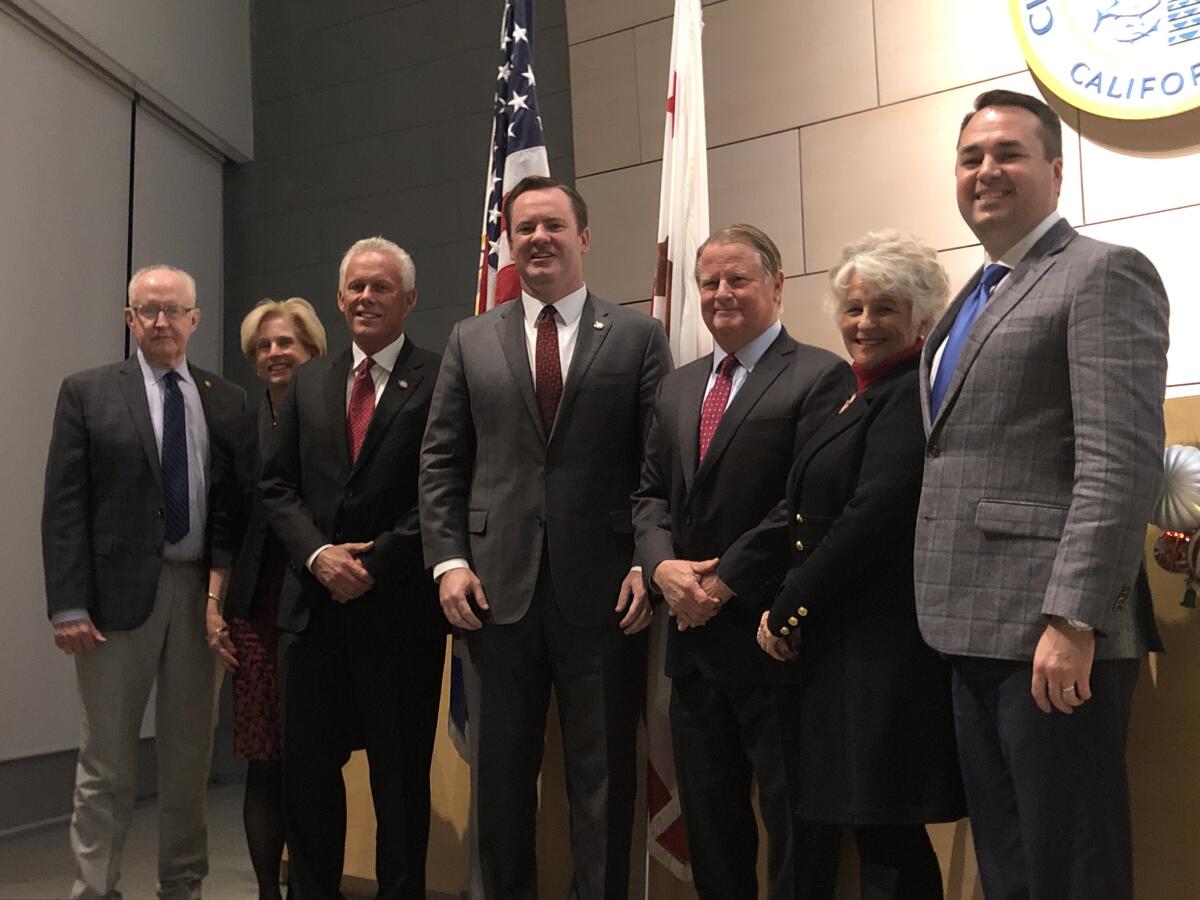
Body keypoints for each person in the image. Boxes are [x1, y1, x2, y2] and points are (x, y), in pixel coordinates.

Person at [914, 89, 1169, 899]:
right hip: (969, 631)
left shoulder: (1103, 274)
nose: (986, 170)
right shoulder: (970, 296)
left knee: (1072, 866)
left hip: (1052, 636)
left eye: (1008, 154)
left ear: (1055, 172)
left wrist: (1073, 617)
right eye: (970, 157)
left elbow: (1118, 459)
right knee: (1010, 865)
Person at [419, 175, 672, 899]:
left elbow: (660, 462)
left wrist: (643, 564)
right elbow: (441, 461)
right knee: (499, 781)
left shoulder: (636, 337)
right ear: (508, 240)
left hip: (606, 597)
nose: (538, 238)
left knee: (601, 782)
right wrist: (448, 563)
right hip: (494, 594)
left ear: (583, 237)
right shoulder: (470, 340)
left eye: (553, 225)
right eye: (524, 227)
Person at [632, 224, 852, 900]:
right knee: (711, 822)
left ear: (777, 285)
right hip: (692, 647)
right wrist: (663, 570)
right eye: (709, 282)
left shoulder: (820, 375)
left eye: (738, 279)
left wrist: (723, 581)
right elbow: (647, 496)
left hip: (775, 642)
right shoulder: (677, 387)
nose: (721, 293)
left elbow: (806, 502)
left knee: (795, 824)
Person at [754, 230, 965, 899]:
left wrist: (791, 604)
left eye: (884, 309)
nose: (864, 323)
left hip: (882, 651)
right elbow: (799, 509)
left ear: (922, 319)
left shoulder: (908, 395)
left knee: (889, 832)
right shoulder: (852, 391)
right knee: (873, 830)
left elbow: (873, 515)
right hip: (841, 652)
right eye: (853, 308)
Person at [42, 264, 245, 900]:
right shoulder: (88, 392)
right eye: (147, 310)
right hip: (110, 606)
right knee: (106, 763)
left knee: (188, 761)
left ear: (195, 319)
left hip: (197, 603)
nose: (161, 321)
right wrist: (67, 604)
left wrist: (221, 597)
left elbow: (233, 508)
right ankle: (94, 888)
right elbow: (64, 506)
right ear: (129, 319)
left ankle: (181, 887)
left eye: (173, 310)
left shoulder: (225, 398)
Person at [260, 238, 446, 900]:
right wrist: (320, 555)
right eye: (357, 288)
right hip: (311, 617)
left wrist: (378, 559)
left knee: (398, 784)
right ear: (340, 300)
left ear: (409, 299)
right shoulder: (308, 381)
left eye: (382, 287)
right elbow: (276, 488)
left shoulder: (440, 375)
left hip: (399, 615)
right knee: (307, 779)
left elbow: (448, 488)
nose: (367, 297)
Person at [205, 298, 328, 900]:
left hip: (321, 604)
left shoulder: (337, 418)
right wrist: (214, 604)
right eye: (263, 346)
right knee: (264, 758)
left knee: (313, 758)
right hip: (255, 608)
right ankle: (267, 893)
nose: (275, 353)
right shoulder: (238, 428)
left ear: (312, 350)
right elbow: (225, 523)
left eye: (287, 343)